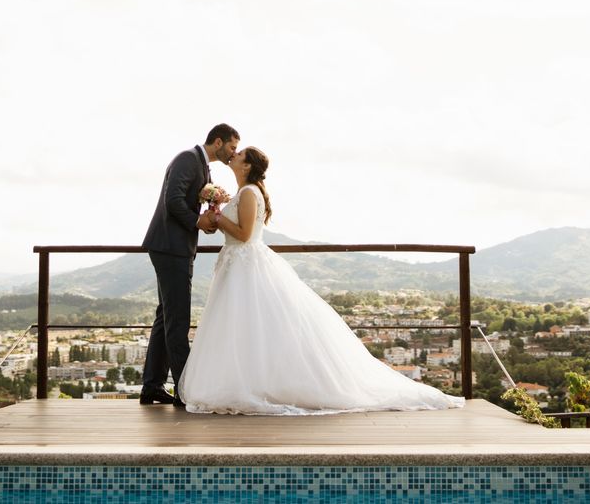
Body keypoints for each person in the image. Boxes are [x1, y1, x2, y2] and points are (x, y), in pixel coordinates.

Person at [178, 147, 466, 415]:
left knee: (253, 325)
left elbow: (243, 234)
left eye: (239, 154)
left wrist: (217, 215)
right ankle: (241, 381)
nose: (234, 155)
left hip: (246, 265)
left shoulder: (250, 192)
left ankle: (258, 385)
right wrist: (216, 215)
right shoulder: (242, 192)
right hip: (234, 266)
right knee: (238, 328)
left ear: (248, 165)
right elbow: (231, 230)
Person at [140, 124, 240, 407]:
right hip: (171, 248)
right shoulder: (187, 159)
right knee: (178, 319)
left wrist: (205, 220)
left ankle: (152, 387)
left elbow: (184, 204)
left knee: (166, 317)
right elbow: (173, 201)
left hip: (174, 246)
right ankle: (185, 391)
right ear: (218, 141)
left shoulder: (202, 166)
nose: (233, 153)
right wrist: (197, 222)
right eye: (232, 147)